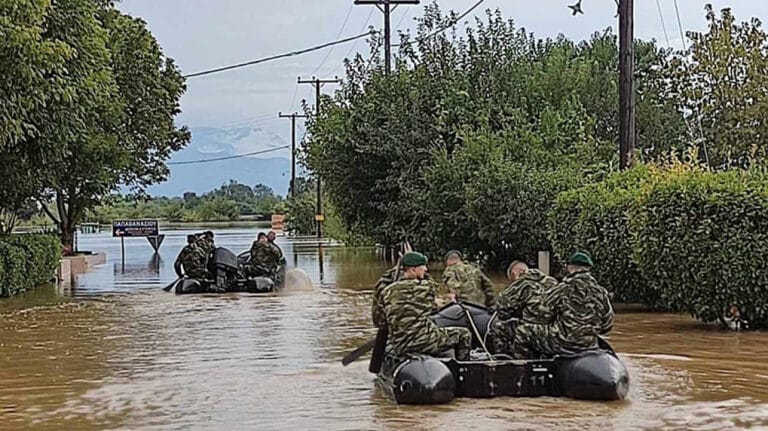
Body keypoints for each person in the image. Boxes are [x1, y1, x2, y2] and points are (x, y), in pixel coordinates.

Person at [511, 252, 614, 359]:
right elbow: (607, 325)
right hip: (590, 345)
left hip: (563, 343)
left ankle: (524, 370)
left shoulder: (563, 288)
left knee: (522, 331)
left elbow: (542, 314)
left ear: (569, 267)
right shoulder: (601, 292)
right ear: (589, 268)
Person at [378, 251, 472, 360]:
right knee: (464, 334)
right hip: (423, 341)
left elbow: (379, 321)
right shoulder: (426, 287)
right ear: (413, 269)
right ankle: (463, 368)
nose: (426, 269)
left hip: (400, 345)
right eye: (423, 266)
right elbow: (435, 295)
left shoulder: (387, 291)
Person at [491, 261, 558, 354]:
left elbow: (502, 310)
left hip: (530, 330)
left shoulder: (521, 283)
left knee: (498, 328)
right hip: (552, 330)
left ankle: (504, 359)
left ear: (514, 274)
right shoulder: (553, 281)